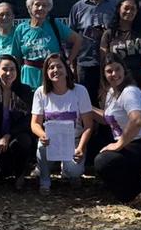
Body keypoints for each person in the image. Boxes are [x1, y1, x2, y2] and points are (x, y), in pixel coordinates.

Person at [91, 52, 141, 204]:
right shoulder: (111, 92)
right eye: (109, 71)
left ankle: (137, 189)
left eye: (117, 69)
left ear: (124, 69)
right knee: (95, 149)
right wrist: (86, 108)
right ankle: (125, 185)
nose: (114, 74)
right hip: (130, 143)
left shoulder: (129, 92)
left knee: (104, 161)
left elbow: (137, 120)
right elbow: (107, 119)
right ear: (104, 74)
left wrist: (118, 145)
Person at [30, 54, 94, 194]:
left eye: (59, 66)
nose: (55, 70)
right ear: (46, 73)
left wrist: (81, 147)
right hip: (51, 141)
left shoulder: (80, 91)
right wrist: (43, 135)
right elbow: (35, 124)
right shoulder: (41, 92)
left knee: (74, 170)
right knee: (41, 148)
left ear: (66, 69)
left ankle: (69, 172)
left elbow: (89, 125)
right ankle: (45, 180)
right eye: (51, 67)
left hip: (74, 141)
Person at [0, 54, 35, 190]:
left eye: (12, 69)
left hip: (16, 135)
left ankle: (20, 175)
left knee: (23, 141)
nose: (8, 73)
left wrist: (8, 135)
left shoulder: (25, 91)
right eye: (4, 69)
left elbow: (27, 119)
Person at [14, 0, 83, 90]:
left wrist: (68, 62)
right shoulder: (21, 29)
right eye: (37, 4)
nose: (41, 8)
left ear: (48, 8)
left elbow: (78, 40)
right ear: (30, 7)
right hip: (28, 79)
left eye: (44, 5)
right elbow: (16, 58)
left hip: (52, 78)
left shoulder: (54, 25)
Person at [68, 0, 118, 100]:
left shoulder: (115, 6)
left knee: (111, 102)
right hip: (85, 65)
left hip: (110, 64)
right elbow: (69, 39)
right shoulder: (77, 8)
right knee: (86, 104)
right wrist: (71, 65)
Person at [100, 0, 141, 92]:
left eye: (133, 9)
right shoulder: (109, 34)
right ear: (119, 9)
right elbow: (104, 63)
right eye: (126, 8)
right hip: (118, 84)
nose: (129, 12)